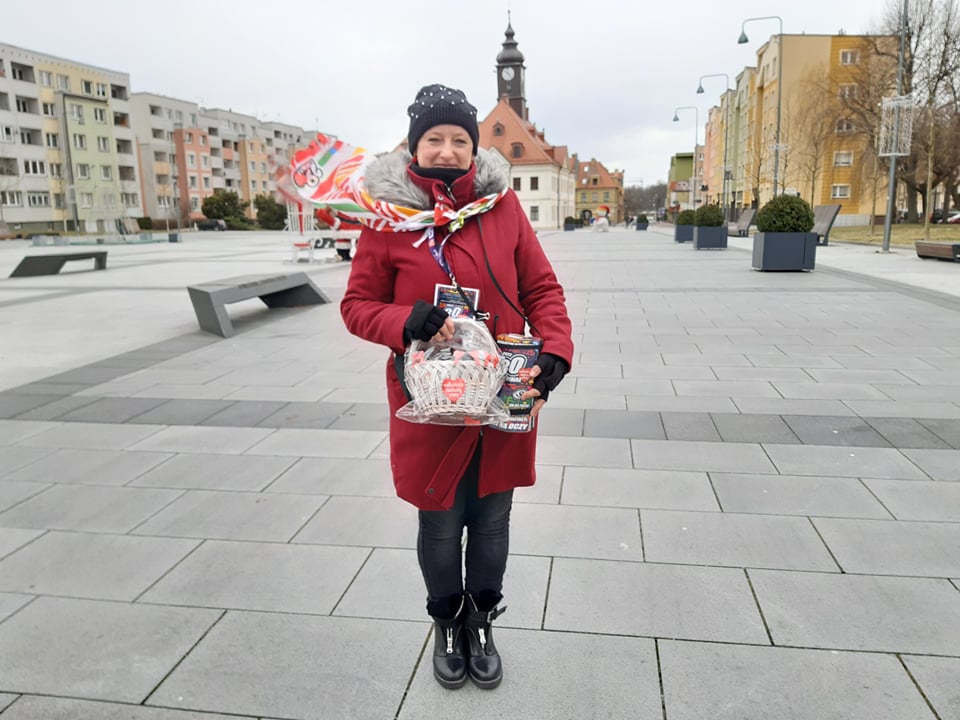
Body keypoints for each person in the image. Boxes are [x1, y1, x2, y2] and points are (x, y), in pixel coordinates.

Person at [340, 83, 573, 690]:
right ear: (415, 145)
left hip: (502, 394)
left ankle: (483, 618)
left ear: (474, 149)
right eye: (434, 139)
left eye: (459, 140)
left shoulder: (502, 208)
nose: (447, 150)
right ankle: (447, 622)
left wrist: (556, 350)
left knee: (493, 521)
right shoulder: (388, 219)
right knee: (441, 523)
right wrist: (401, 321)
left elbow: (543, 289)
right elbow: (357, 305)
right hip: (430, 401)